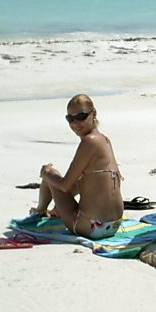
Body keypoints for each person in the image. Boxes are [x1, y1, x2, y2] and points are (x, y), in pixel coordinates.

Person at [32, 94, 124, 239]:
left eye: (81, 116)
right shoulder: (104, 140)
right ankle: (50, 210)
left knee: (51, 172)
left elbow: (65, 186)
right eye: (70, 118)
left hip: (91, 227)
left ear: (94, 113)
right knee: (78, 178)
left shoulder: (89, 142)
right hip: (114, 225)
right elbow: (85, 183)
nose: (75, 123)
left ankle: (40, 211)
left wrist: (45, 173)